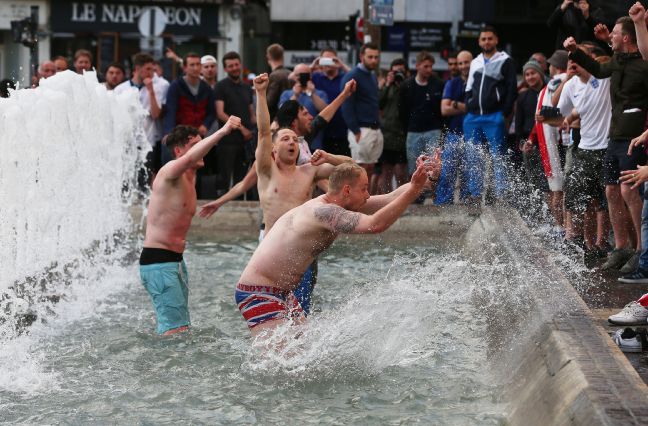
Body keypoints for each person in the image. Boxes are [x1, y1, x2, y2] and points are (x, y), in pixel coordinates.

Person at [235, 155, 441, 336]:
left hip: (282, 293)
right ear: (347, 190)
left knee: (301, 355)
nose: (368, 195)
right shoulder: (323, 212)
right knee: (283, 367)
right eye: (365, 189)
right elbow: (376, 225)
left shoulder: (340, 204)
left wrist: (426, 180)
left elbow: (389, 199)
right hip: (259, 291)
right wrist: (414, 188)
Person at [242, 73, 354, 315]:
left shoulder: (308, 171)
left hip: (304, 251)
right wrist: (261, 94)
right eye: (285, 139)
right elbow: (263, 133)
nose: (292, 142)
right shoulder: (266, 171)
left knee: (301, 312)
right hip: (274, 251)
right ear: (273, 149)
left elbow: (350, 168)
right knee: (276, 313)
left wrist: (330, 157)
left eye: (295, 139)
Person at [140, 116, 241, 335]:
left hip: (174, 261)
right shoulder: (170, 171)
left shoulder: (190, 178)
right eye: (195, 146)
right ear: (179, 151)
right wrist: (222, 131)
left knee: (181, 327)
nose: (202, 150)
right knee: (175, 331)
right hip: (158, 262)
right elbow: (188, 160)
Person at [199, 79, 358, 216]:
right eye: (305, 114)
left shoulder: (302, 140)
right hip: (275, 217)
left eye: (294, 140)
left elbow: (323, 119)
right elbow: (246, 181)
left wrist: (344, 94)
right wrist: (219, 202)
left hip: (301, 217)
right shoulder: (271, 152)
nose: (311, 118)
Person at [565, 16, 648, 272]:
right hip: (614, 136)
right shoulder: (618, 60)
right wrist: (575, 51)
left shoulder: (644, 64)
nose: (608, 35)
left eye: (614, 33)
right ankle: (621, 247)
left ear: (626, 38)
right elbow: (599, 70)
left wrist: (639, 22)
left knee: (628, 191)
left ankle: (640, 250)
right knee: (611, 192)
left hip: (634, 136)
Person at [463, 25, 518, 204]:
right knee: (473, 156)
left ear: (496, 40)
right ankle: (475, 194)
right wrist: (468, 104)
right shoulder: (475, 62)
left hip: (494, 115)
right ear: (479, 42)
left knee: (498, 155)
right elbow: (469, 87)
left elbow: (511, 88)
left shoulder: (506, 60)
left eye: (490, 38)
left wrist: (505, 112)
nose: (487, 42)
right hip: (473, 117)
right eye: (483, 39)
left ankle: (501, 194)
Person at [114, 53, 169, 183]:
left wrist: (151, 91)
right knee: (126, 180)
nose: (152, 73)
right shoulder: (120, 89)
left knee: (144, 181)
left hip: (147, 141)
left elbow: (156, 114)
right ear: (138, 69)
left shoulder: (157, 88)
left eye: (153, 69)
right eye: (149, 69)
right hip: (126, 142)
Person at [164, 52, 216, 183]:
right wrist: (169, 133)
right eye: (192, 65)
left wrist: (206, 124)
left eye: (198, 64)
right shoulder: (176, 86)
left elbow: (212, 111)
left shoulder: (206, 88)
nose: (196, 68)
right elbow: (170, 110)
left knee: (198, 170)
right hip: (180, 136)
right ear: (185, 68)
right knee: (178, 169)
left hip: (198, 136)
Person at [213, 51, 256, 195]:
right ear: (225, 69)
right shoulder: (220, 86)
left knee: (241, 179)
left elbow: (251, 114)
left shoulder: (247, 88)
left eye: (236, 64)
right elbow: (220, 113)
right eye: (230, 66)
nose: (234, 68)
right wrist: (242, 128)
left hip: (245, 141)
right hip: (227, 140)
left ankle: (238, 206)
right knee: (224, 178)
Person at [341, 42, 383, 184]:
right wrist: (355, 130)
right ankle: (356, 204)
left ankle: (366, 202)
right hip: (361, 129)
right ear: (361, 56)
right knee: (360, 170)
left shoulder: (372, 75)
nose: (374, 60)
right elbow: (346, 104)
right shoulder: (352, 76)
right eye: (370, 57)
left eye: (376, 57)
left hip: (374, 128)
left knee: (370, 168)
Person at [399, 50, 445, 179]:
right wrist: (407, 128)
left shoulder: (438, 84)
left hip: (433, 129)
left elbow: (441, 109)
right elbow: (402, 111)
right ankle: (416, 195)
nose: (429, 70)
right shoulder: (406, 85)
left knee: (434, 165)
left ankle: (432, 193)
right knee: (414, 166)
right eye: (426, 66)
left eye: (431, 66)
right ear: (417, 65)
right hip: (413, 130)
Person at [436, 50, 473, 205]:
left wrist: (456, 104)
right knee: (447, 172)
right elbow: (444, 109)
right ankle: (444, 205)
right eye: (460, 63)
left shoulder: (478, 81)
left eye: (466, 62)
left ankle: (466, 205)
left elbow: (480, 108)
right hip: (453, 133)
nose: (463, 66)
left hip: (472, 135)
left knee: (468, 173)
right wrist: (469, 107)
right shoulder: (453, 83)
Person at [279, 63, 329, 150]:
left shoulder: (320, 93)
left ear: (310, 76)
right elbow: (282, 113)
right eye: (298, 75)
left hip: (315, 142)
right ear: (294, 76)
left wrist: (312, 93)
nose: (301, 77)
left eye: (305, 74)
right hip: (291, 142)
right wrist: (295, 95)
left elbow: (326, 111)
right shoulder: (287, 94)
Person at [376, 58, 409, 194]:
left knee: (401, 171)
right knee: (386, 171)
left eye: (400, 71)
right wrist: (388, 84)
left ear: (406, 72)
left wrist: (403, 84)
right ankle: (385, 202)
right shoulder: (387, 86)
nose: (398, 74)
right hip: (387, 134)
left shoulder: (409, 85)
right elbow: (378, 104)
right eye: (395, 71)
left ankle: (402, 201)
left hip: (403, 134)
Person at [312, 46, 350, 156]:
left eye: (331, 60)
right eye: (325, 60)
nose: (328, 63)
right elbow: (295, 78)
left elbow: (357, 79)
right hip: (322, 132)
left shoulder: (344, 77)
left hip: (343, 130)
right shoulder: (316, 77)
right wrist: (313, 65)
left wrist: (341, 65)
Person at [265, 43, 292, 119]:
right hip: (289, 117)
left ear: (268, 57)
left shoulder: (274, 76)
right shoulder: (290, 74)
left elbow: (269, 102)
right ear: (282, 56)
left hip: (276, 119)